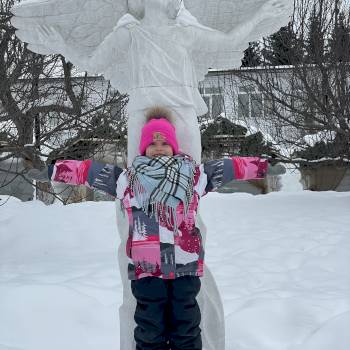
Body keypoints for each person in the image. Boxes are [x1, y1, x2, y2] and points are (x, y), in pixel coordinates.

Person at [24, 106, 284, 350]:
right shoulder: (127, 180)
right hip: (147, 268)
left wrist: (263, 167)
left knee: (187, 325)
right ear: (143, 147)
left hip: (185, 266)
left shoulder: (194, 176)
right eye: (152, 144)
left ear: (173, 146)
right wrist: (53, 171)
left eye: (164, 143)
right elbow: (89, 172)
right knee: (149, 329)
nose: (158, 148)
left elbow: (230, 168)